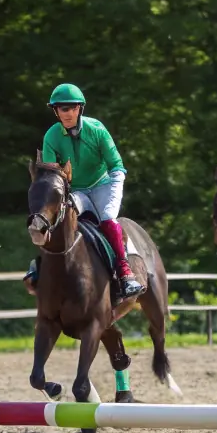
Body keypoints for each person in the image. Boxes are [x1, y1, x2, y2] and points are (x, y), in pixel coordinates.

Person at [39, 83, 143, 298]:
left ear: (80, 109)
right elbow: (51, 175)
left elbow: (116, 164)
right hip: (75, 189)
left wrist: (115, 184)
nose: (67, 114)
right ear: (56, 111)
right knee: (57, 218)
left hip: (105, 182)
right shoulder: (51, 136)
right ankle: (41, 268)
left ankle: (125, 272)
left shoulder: (97, 129)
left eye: (72, 108)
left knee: (106, 218)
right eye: (62, 109)